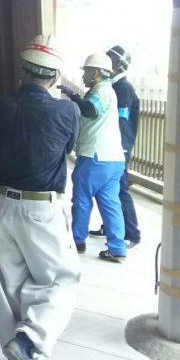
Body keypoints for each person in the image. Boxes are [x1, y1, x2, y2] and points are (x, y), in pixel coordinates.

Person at [0, 40, 81, 360]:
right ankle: (29, 340)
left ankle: (17, 353)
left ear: (23, 72)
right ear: (55, 77)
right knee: (62, 278)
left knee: (8, 282)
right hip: (41, 207)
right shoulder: (67, 111)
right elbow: (67, 147)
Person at [59, 52, 128, 262]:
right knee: (110, 203)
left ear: (96, 72)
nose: (84, 76)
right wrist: (75, 96)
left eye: (87, 72)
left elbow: (90, 109)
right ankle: (117, 248)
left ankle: (77, 241)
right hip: (113, 159)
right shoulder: (107, 91)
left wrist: (73, 98)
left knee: (81, 199)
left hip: (94, 157)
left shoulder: (102, 91)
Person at [90, 45, 141, 247]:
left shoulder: (123, 88)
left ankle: (132, 233)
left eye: (109, 58)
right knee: (108, 189)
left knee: (120, 188)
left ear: (119, 65)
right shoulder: (112, 86)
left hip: (119, 146)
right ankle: (109, 226)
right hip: (112, 145)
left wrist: (117, 145)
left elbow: (121, 119)